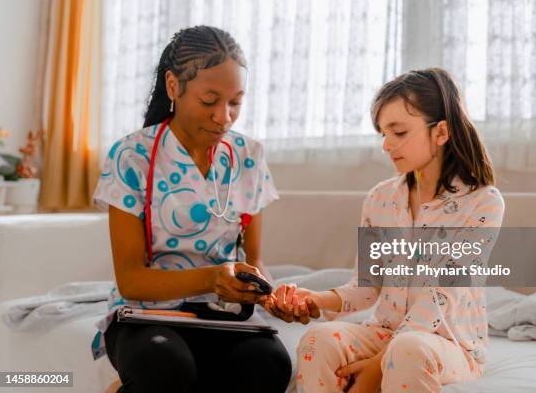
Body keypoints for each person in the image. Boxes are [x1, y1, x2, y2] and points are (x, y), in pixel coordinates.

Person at [264, 68, 505, 392]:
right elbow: (366, 287)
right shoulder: (380, 199)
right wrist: (317, 299)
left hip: (448, 345)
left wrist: (377, 367)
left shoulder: (482, 203)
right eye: (383, 133)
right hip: (384, 331)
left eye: (399, 132)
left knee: (407, 351)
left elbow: (443, 294)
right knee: (317, 340)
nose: (386, 145)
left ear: (441, 132)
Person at [92, 25, 291, 393]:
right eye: (209, 100)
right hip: (147, 315)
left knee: (269, 365)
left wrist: (271, 294)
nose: (224, 117)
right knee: (165, 368)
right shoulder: (131, 156)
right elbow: (131, 278)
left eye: (235, 102)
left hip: (223, 316)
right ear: (173, 87)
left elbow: (256, 260)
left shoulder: (249, 156)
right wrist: (212, 278)